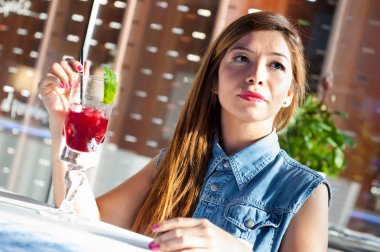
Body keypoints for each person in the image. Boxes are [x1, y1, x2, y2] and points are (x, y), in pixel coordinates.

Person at [39, 11, 331, 252]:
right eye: (241, 58)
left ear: (291, 93)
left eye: (276, 65)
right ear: (214, 81)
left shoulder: (306, 191)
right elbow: (86, 221)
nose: (256, 75)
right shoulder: (173, 162)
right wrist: (63, 125)